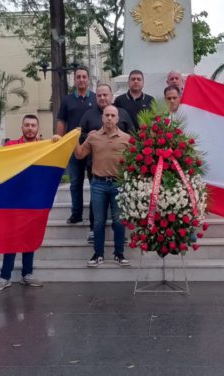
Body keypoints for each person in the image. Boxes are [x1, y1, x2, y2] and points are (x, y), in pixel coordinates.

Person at [0, 115, 60, 292]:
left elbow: (59, 153)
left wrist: (58, 141)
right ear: (21, 128)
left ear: (38, 128)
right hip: (14, 199)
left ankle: (27, 274)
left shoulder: (45, 146)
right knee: (11, 238)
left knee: (30, 235)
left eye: (33, 125)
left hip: (34, 200)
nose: (30, 128)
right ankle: (5, 276)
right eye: (27, 125)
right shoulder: (11, 146)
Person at [74, 105, 130, 267]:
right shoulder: (93, 137)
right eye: (107, 115)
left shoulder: (126, 138)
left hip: (119, 184)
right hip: (98, 184)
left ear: (118, 119)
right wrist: (73, 139)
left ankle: (119, 254)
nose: (110, 118)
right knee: (98, 222)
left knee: (119, 221)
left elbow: (135, 160)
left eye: (113, 115)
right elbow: (79, 154)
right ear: (102, 118)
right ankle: (98, 254)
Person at [79, 83, 133, 243]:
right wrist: (87, 136)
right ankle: (93, 231)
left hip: (118, 173)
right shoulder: (88, 115)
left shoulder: (123, 113)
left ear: (111, 96)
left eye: (105, 95)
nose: (102, 97)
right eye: (99, 95)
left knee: (118, 211)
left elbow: (132, 134)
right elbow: (80, 135)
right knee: (96, 204)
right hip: (95, 167)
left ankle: (120, 235)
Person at [56, 67, 96, 228]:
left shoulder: (95, 98)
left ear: (88, 79)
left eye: (84, 77)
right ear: (74, 80)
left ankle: (95, 214)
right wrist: (60, 142)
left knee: (94, 182)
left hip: (92, 147)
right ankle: (76, 213)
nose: (81, 79)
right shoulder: (67, 101)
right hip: (74, 147)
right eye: (78, 77)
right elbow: (61, 122)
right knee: (75, 181)